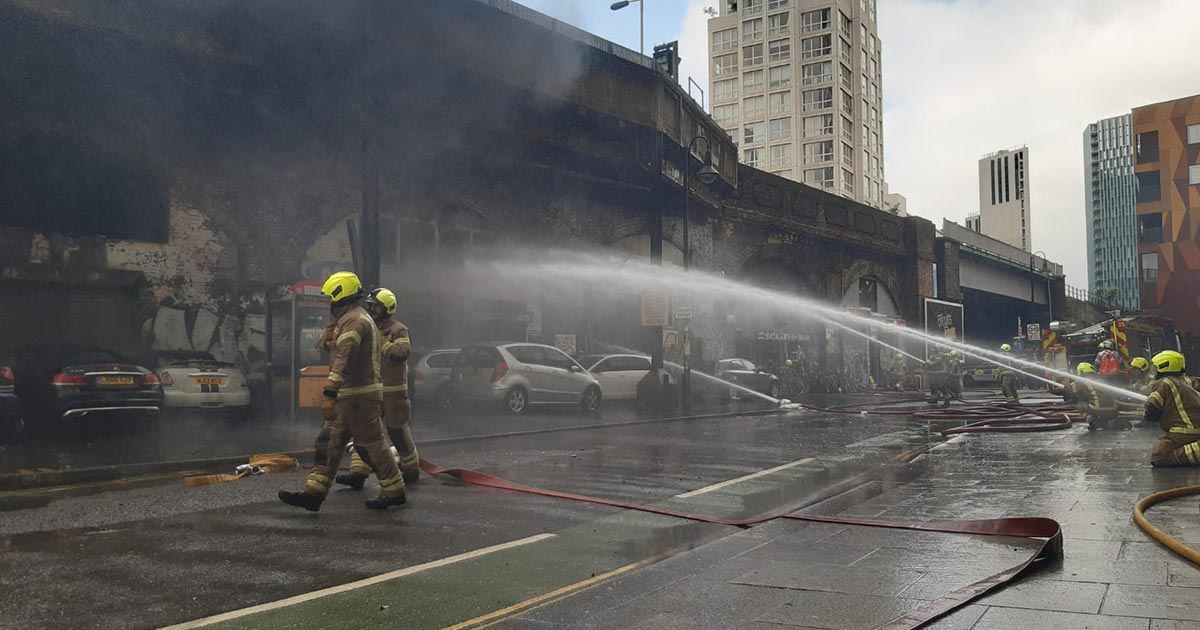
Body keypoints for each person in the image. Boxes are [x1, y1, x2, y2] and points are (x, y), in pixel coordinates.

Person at [279, 272, 408, 511]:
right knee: (329, 443)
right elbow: (335, 351)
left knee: (371, 445)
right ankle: (313, 493)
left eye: (331, 297)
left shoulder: (355, 321)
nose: (329, 302)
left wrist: (329, 391)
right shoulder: (350, 319)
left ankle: (394, 490)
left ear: (340, 294)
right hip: (351, 396)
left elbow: (345, 359)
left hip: (359, 397)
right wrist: (328, 340)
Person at [337, 288, 421, 489]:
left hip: (394, 391)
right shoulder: (368, 327)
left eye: (376, 306)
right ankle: (357, 473)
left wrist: (380, 340)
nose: (372, 309)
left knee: (397, 430)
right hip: (372, 389)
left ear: (387, 308)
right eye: (371, 305)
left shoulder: (398, 330)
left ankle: (411, 469)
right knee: (365, 432)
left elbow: (401, 352)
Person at [1146, 351, 1200, 467]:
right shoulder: (1187, 381)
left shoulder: (1163, 383)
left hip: (1184, 431)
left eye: (1155, 368)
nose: (1153, 371)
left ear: (1163, 366)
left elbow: (1152, 412)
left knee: (1159, 456)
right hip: (1194, 427)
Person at [1073, 363, 1124, 431]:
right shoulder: (1101, 379)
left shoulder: (1080, 381)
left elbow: (1070, 390)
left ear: (1081, 372)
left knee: (1079, 405)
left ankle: (1093, 422)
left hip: (1098, 408)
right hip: (1113, 409)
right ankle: (1109, 421)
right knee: (1093, 401)